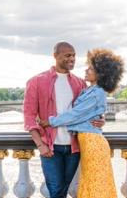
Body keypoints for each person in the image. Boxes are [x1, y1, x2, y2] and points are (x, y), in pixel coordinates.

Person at [39, 48, 124, 198]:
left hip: (93, 144)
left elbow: (75, 114)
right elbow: (86, 112)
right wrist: (101, 116)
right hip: (87, 143)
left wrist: (50, 121)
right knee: (91, 184)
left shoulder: (97, 92)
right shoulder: (88, 90)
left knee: (96, 185)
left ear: (100, 73)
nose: (86, 69)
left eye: (90, 68)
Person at [23, 42, 105, 198]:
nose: (72, 59)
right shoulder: (36, 82)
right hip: (50, 146)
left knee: (63, 189)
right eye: (68, 55)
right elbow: (29, 116)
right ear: (55, 56)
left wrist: (100, 119)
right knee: (55, 189)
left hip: (74, 146)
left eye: (74, 55)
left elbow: (88, 109)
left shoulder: (80, 83)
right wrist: (40, 145)